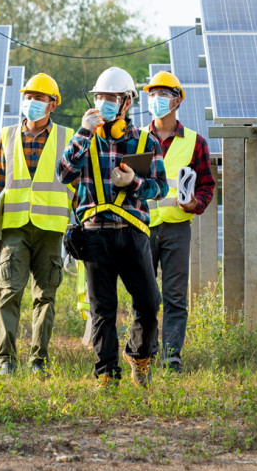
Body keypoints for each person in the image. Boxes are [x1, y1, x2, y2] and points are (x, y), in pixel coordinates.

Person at [57, 66, 167, 389]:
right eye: (99, 97)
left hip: (132, 233)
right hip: (94, 233)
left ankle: (139, 354)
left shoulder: (146, 141)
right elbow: (63, 173)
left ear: (127, 102)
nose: (103, 103)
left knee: (149, 302)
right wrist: (83, 132)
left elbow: (160, 188)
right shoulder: (84, 139)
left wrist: (134, 182)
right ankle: (107, 372)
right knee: (102, 308)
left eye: (111, 98)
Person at [0, 73, 74, 377]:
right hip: (15, 227)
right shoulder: (7, 135)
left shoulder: (67, 137)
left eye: (39, 98)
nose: (31, 102)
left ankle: (38, 360)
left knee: (46, 296)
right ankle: (6, 360)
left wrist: (76, 230)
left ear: (52, 104)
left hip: (51, 228)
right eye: (28, 97)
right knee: (9, 292)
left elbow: (76, 184)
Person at [143, 71, 217, 373]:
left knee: (175, 296)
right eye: (152, 95)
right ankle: (145, 353)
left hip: (177, 228)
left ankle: (171, 357)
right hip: (142, 226)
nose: (155, 100)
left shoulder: (195, 142)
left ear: (177, 101)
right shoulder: (136, 139)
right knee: (144, 295)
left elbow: (207, 185)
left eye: (162, 94)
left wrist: (196, 203)